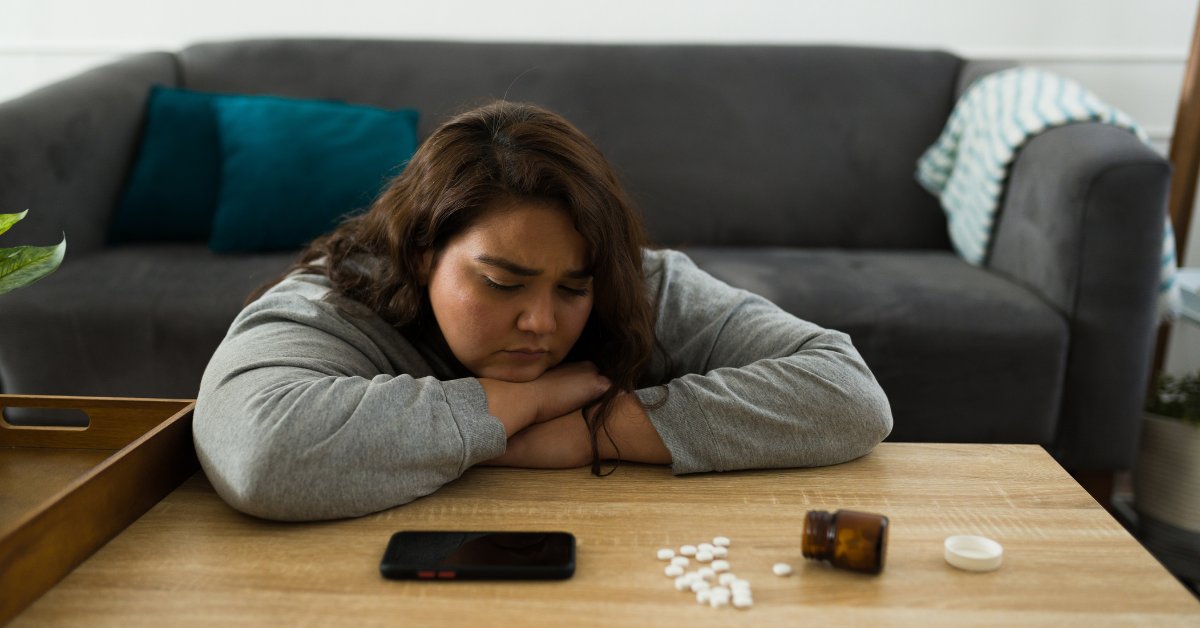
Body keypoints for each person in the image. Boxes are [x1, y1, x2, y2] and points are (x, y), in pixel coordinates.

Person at [193, 100, 893, 521]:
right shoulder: (331, 302)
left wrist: (598, 430)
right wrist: (513, 407)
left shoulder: (643, 282)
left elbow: (850, 394)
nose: (542, 323)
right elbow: (261, 457)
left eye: (572, 288)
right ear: (420, 251)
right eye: (502, 282)